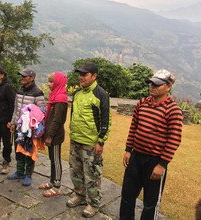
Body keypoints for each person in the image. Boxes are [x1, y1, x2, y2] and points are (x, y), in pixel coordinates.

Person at [119, 69, 183, 220]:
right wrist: (128, 150)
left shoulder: (173, 110)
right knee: (127, 195)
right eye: (151, 83)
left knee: (150, 203)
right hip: (136, 157)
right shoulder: (142, 103)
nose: (152, 86)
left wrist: (162, 164)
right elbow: (134, 127)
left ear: (168, 86)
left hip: (155, 161)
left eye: (157, 84)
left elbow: (174, 139)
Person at [67, 62, 111, 218]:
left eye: (85, 74)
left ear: (94, 76)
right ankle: (79, 196)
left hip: (90, 144)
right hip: (75, 140)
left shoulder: (101, 94)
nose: (81, 77)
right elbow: (73, 116)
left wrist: (101, 142)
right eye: (80, 74)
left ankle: (93, 204)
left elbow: (106, 120)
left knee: (92, 174)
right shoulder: (77, 93)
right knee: (75, 171)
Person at [7, 68, 46, 186]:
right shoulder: (19, 91)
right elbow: (16, 109)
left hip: (30, 129)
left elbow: (42, 111)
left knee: (28, 151)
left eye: (24, 76)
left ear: (32, 78)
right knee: (19, 149)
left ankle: (28, 175)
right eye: (21, 76)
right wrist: (13, 123)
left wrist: (36, 128)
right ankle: (19, 172)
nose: (22, 78)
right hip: (19, 126)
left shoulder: (37, 93)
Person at [38, 72, 68, 197]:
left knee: (56, 159)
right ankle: (51, 181)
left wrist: (50, 136)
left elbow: (57, 119)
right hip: (50, 134)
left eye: (51, 82)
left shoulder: (60, 99)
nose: (49, 84)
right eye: (49, 81)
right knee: (52, 159)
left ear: (58, 82)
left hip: (55, 136)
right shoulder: (54, 96)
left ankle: (56, 186)